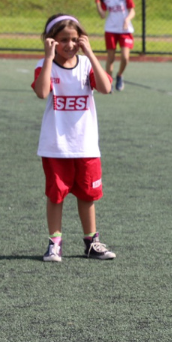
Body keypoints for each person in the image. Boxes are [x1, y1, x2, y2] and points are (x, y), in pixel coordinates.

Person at [32, 14, 116, 262]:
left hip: (86, 145)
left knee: (88, 195)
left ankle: (91, 242)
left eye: (74, 39)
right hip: (55, 145)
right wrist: (48, 58)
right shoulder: (44, 63)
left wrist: (90, 54)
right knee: (56, 195)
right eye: (63, 40)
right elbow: (41, 91)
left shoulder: (87, 65)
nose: (69, 45)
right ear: (51, 41)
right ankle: (54, 242)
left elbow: (105, 87)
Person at [95, 0, 135, 91]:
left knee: (125, 57)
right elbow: (102, 15)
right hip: (110, 30)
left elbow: (132, 11)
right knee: (111, 58)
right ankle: (108, 82)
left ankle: (119, 75)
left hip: (125, 31)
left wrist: (127, 19)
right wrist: (97, 2)